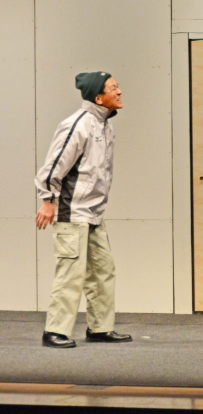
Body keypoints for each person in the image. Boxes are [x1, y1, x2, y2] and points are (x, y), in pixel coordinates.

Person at [35, 71, 132, 348]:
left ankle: (100, 328)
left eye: (118, 86)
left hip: (94, 214)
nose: (119, 91)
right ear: (98, 98)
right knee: (70, 273)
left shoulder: (104, 125)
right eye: (113, 88)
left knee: (103, 271)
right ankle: (55, 331)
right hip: (72, 212)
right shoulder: (77, 124)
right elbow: (54, 165)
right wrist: (47, 200)